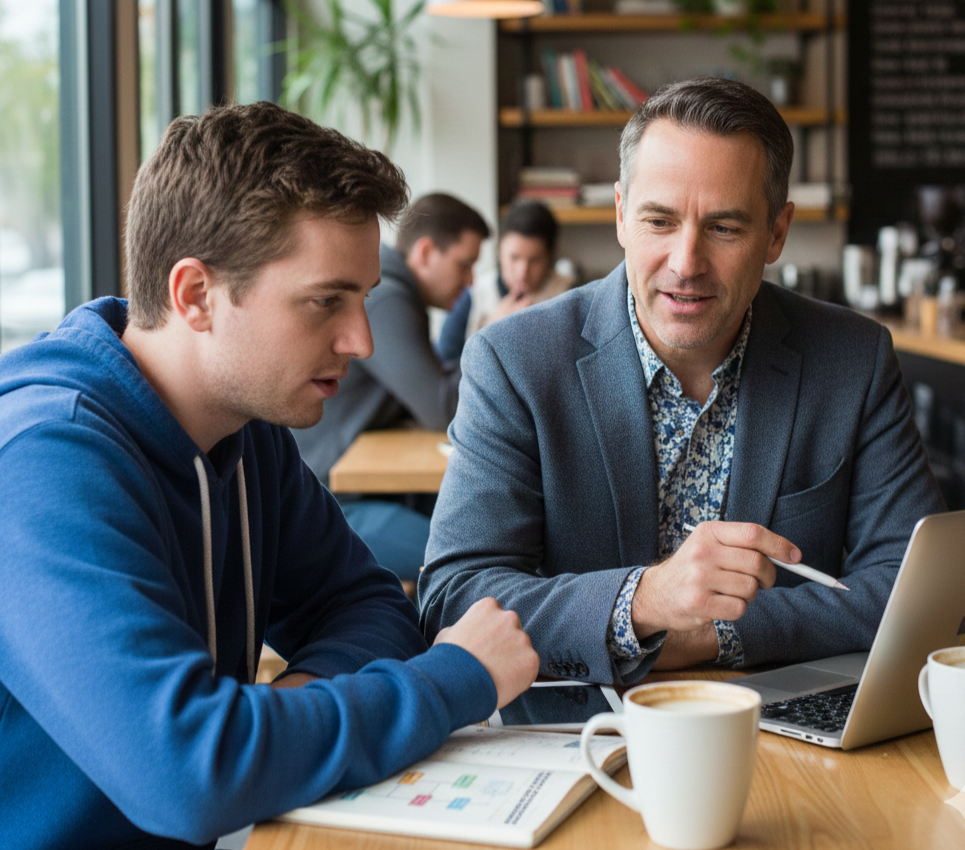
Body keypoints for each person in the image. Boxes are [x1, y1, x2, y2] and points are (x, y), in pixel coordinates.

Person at [0, 102, 538, 850]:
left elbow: (368, 605)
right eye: (325, 302)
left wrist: (281, 715)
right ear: (195, 295)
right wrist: (454, 679)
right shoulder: (42, 464)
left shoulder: (246, 429)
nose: (360, 340)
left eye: (362, 299)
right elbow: (189, 775)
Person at [418, 78, 945, 686]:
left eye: (724, 228)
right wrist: (645, 602)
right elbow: (455, 599)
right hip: (573, 734)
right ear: (620, 214)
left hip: (780, 729)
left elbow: (913, 586)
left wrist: (712, 635)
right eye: (659, 220)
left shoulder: (854, 358)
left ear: (777, 232)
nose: (686, 262)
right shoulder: (512, 362)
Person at [291, 192, 490, 579]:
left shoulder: (397, 292)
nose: (469, 282)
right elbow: (440, 405)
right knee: (464, 565)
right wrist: (498, 339)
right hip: (331, 500)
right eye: (464, 265)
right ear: (427, 252)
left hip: (362, 487)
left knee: (487, 529)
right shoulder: (386, 296)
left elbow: (435, 377)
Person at [436, 200, 575, 362]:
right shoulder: (472, 294)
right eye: (514, 258)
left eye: (535, 260)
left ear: (551, 255)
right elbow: (446, 365)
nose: (523, 271)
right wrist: (492, 329)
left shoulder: (571, 294)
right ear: (499, 251)